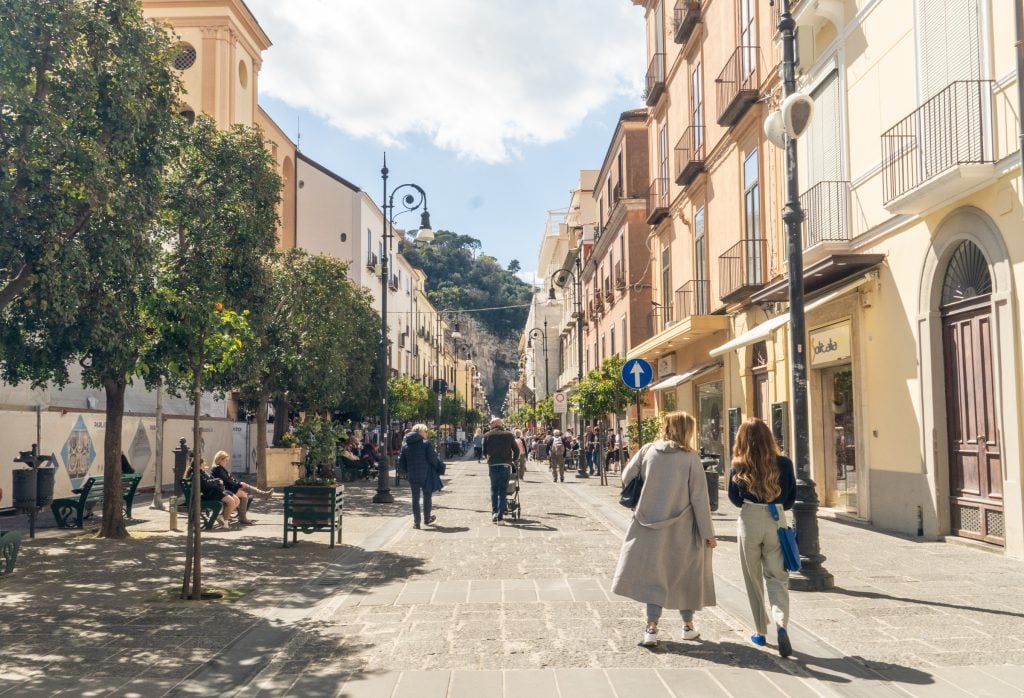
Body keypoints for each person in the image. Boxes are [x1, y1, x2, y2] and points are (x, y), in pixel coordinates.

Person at [611, 411, 717, 648]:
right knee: (685, 576)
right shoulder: (690, 458)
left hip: (648, 525)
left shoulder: (648, 450)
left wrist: (647, 497)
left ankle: (651, 629)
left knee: (654, 579)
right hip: (683, 528)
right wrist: (708, 534)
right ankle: (688, 627)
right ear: (686, 430)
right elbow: (700, 499)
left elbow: (627, 477)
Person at [728, 417, 797, 657]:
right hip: (776, 518)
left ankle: (760, 631)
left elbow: (734, 499)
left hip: (749, 519)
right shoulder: (785, 464)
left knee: (753, 577)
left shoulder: (738, 464)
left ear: (741, 439)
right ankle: (781, 625)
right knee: (778, 577)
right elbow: (790, 500)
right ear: (769, 437)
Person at [398, 423, 444, 529]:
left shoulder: (405, 445)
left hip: (413, 475)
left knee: (415, 498)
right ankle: (427, 518)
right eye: (426, 431)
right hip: (426, 474)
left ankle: (416, 522)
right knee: (427, 496)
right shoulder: (426, 444)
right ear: (420, 432)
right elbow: (433, 459)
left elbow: (401, 463)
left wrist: (408, 471)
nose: (427, 433)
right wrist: (439, 467)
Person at [210, 450, 273, 526]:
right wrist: (239, 485)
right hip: (226, 489)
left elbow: (230, 480)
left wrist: (239, 484)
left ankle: (263, 495)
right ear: (220, 459)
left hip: (229, 487)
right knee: (244, 494)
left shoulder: (220, 468)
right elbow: (227, 481)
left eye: (227, 460)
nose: (227, 462)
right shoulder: (218, 469)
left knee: (245, 489)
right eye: (225, 460)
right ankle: (243, 517)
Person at [482, 416, 517, 525]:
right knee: (502, 491)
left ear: (494, 424)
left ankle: (494, 513)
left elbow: (484, 451)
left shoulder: (487, 435)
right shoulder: (509, 434)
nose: (489, 426)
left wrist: (489, 458)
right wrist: (512, 460)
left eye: (490, 424)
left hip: (493, 465)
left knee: (494, 489)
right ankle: (500, 517)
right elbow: (516, 450)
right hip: (505, 465)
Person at [186, 458, 239, 528]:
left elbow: (210, 479)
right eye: (203, 463)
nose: (205, 464)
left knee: (236, 499)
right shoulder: (196, 474)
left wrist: (217, 480)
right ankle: (225, 521)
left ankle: (222, 517)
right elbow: (206, 484)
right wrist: (217, 481)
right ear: (199, 465)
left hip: (214, 491)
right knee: (231, 502)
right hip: (210, 494)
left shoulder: (201, 472)